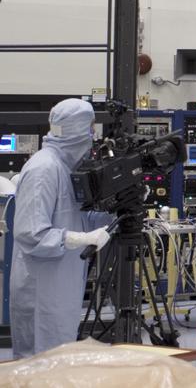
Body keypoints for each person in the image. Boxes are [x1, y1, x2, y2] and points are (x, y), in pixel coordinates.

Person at [11, 99, 113, 358]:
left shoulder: (64, 168)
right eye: (90, 129)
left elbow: (75, 220)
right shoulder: (44, 169)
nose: (93, 137)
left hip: (60, 287)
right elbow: (31, 233)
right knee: (40, 363)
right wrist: (81, 238)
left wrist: (113, 212)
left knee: (57, 362)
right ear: (76, 130)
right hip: (42, 290)